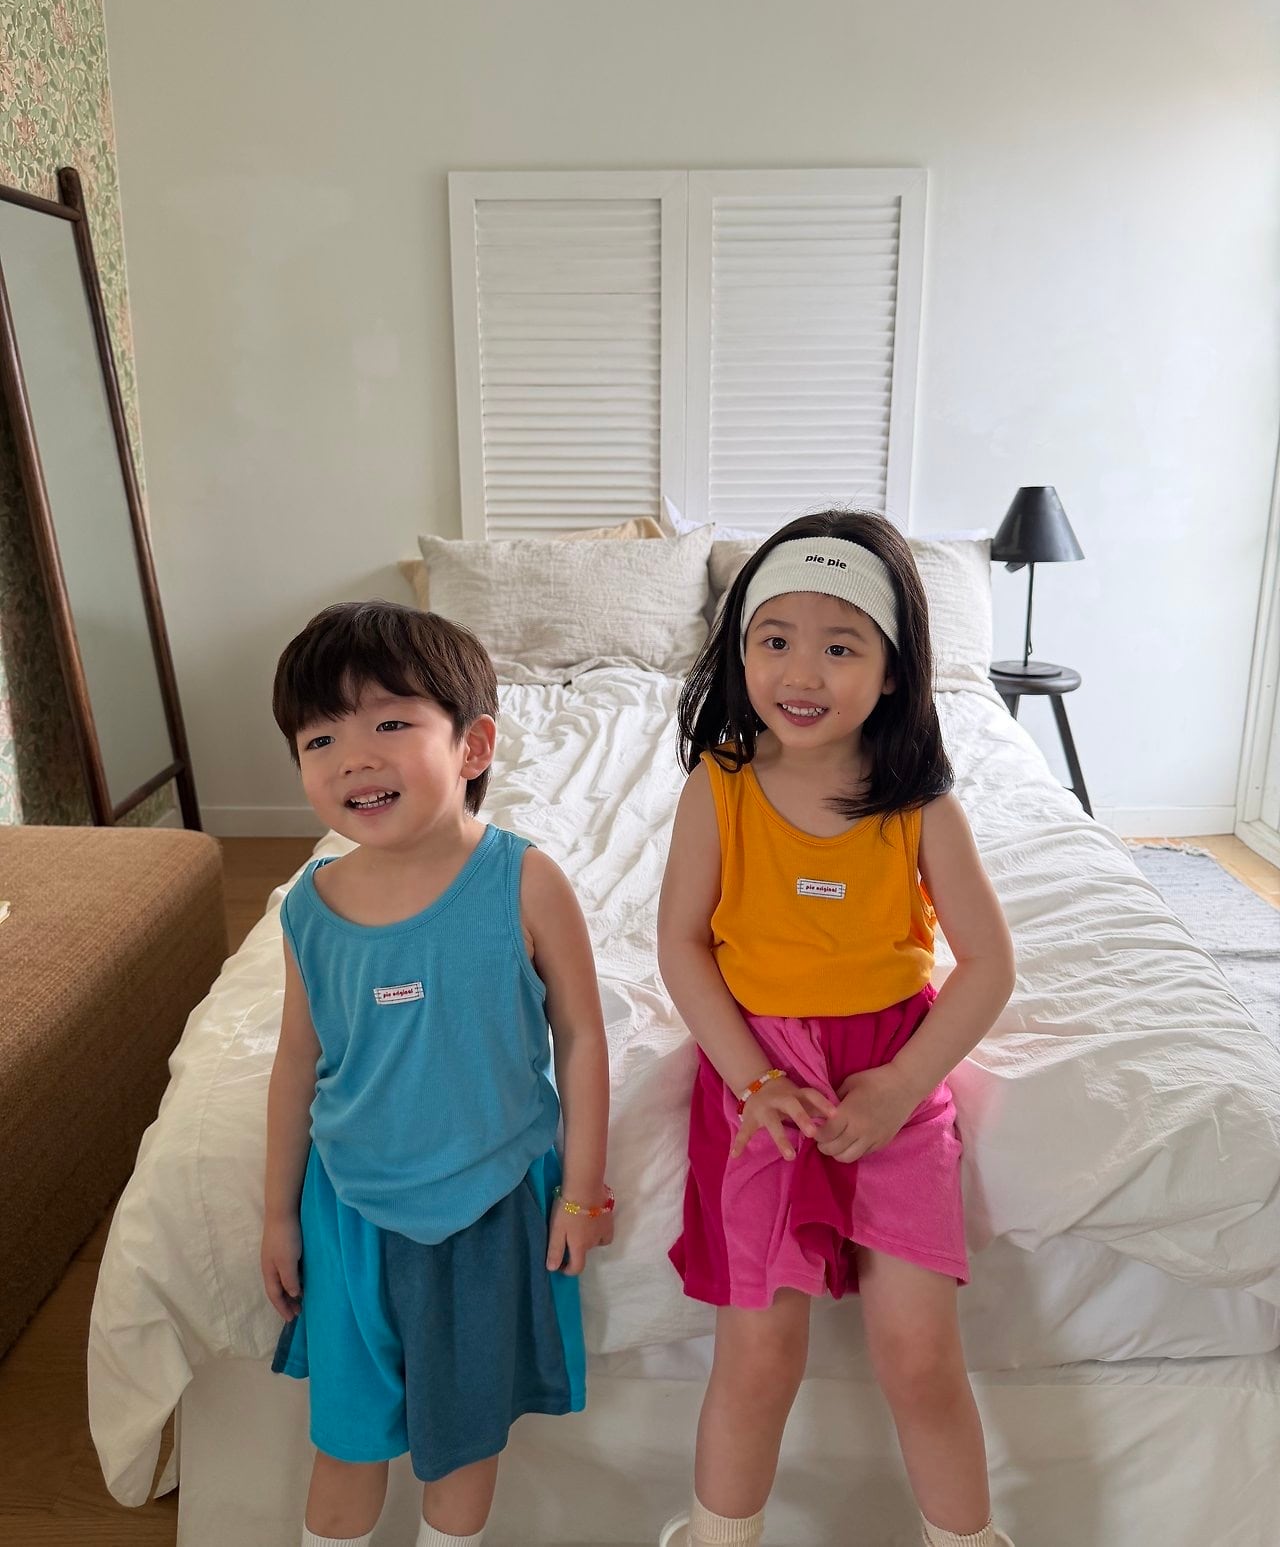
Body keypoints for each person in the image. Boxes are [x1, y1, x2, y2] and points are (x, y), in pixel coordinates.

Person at [657, 511, 1018, 1547]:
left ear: (894, 671)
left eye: (841, 646)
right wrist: (753, 1081)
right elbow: (681, 944)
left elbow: (987, 965)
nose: (801, 672)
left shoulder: (920, 806)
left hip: (889, 1079)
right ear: (739, 653)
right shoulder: (719, 787)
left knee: (919, 1356)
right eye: (774, 640)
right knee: (757, 1355)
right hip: (761, 1087)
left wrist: (904, 1085)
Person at [262, 600, 613, 1547]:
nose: (353, 758)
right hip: (348, 1208)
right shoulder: (308, 908)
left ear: (473, 746)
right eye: (320, 739)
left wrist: (583, 1190)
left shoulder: (524, 881)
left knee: (463, 1445)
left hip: (488, 1205)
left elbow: (582, 1035)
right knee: (345, 1442)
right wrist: (276, 1213)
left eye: (389, 724)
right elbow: (297, 1061)